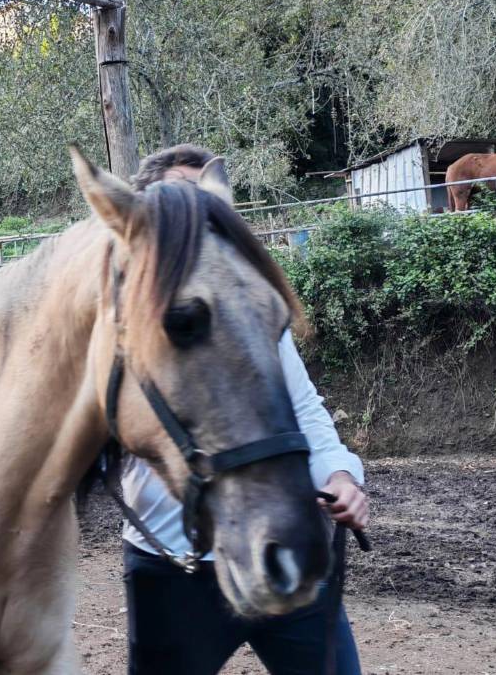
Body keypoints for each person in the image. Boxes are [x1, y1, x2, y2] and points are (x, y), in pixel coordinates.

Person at [120, 144, 370, 675]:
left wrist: (344, 476)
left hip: (284, 535)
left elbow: (303, 409)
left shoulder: (253, 314)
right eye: (183, 203)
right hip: (172, 566)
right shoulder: (126, 330)